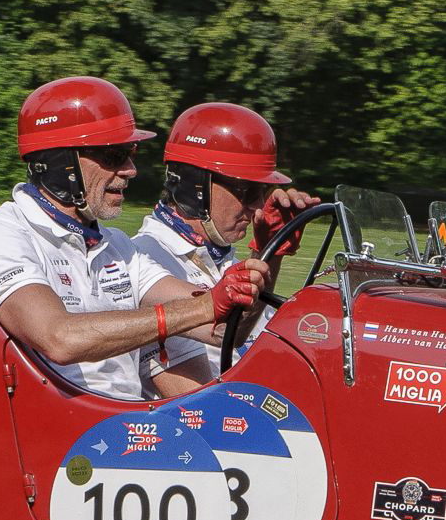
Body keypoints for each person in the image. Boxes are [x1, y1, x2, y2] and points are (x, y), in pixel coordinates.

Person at [0, 76, 268, 401]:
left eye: (130, 153)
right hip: (56, 434)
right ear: (59, 162)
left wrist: (259, 270)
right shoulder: (2, 231)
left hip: (120, 431)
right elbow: (59, 338)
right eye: (113, 156)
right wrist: (201, 307)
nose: (131, 170)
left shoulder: (119, 246)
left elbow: (221, 332)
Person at [132, 102, 320, 370]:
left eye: (263, 191)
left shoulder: (220, 256)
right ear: (195, 188)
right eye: (246, 191)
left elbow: (263, 339)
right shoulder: (147, 259)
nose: (257, 206)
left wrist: (268, 252)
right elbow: (188, 397)